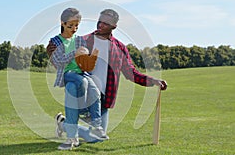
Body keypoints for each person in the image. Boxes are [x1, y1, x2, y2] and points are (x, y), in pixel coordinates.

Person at [47, 9, 168, 144]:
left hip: (103, 99)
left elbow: (131, 73)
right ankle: (70, 126)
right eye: (99, 21)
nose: (100, 25)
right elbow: (62, 56)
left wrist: (153, 81)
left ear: (114, 26)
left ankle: (63, 124)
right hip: (83, 93)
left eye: (105, 23)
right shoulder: (83, 41)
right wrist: (52, 50)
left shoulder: (120, 48)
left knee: (96, 138)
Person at [49, 7, 107, 150]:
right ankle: (84, 112)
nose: (74, 29)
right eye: (70, 26)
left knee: (94, 90)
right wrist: (74, 54)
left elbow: (83, 61)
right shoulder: (55, 42)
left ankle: (94, 125)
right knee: (82, 82)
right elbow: (58, 61)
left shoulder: (80, 40)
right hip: (67, 74)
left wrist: (89, 57)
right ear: (62, 23)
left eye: (77, 26)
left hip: (82, 74)